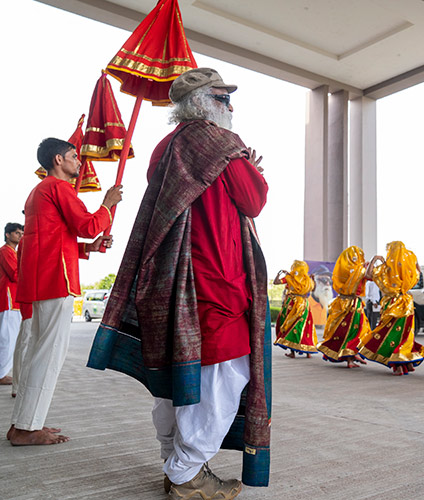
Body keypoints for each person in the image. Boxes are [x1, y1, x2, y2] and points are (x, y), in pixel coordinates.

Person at [86, 68, 270, 496]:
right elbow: (253, 200)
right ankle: (186, 473)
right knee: (226, 374)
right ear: (206, 103)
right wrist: (251, 171)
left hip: (172, 280)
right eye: (225, 99)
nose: (231, 107)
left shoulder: (164, 147)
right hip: (216, 277)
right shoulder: (223, 143)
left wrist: (241, 169)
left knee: (176, 373)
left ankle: (174, 458)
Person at [8, 138, 121, 446]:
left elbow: (57, 236)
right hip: (56, 278)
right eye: (74, 156)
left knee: (38, 353)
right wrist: (107, 205)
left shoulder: (39, 192)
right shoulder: (58, 189)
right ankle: (27, 428)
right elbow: (86, 225)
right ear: (58, 159)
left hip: (44, 278)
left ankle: (23, 423)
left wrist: (89, 248)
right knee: (49, 354)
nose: (78, 161)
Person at [359, 241, 424, 375]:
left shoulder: (384, 270)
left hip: (391, 304)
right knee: (405, 334)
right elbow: (418, 272)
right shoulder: (407, 269)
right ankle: (404, 362)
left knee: (390, 333)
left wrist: (374, 260)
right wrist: (414, 259)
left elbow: (368, 275)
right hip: (406, 304)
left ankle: (399, 364)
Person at [318, 246, 372, 368]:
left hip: (341, 303)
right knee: (355, 331)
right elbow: (370, 276)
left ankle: (352, 356)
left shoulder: (344, 270)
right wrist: (372, 262)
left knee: (345, 331)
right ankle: (352, 356)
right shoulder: (359, 270)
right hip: (353, 304)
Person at [273, 261, 318, 358]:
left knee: (291, 325)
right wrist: (313, 280)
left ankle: (293, 352)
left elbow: (275, 282)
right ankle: (307, 352)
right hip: (304, 304)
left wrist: (279, 274)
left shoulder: (290, 278)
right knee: (304, 325)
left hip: (292, 304)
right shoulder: (307, 279)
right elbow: (313, 289)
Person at [0, 223, 24, 385]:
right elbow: (15, 274)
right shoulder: (5, 251)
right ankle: (2, 374)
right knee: (7, 338)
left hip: (15, 300)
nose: (20, 236)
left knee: (10, 337)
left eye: (22, 233)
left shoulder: (13, 252)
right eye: (17, 233)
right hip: (9, 299)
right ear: (7, 235)